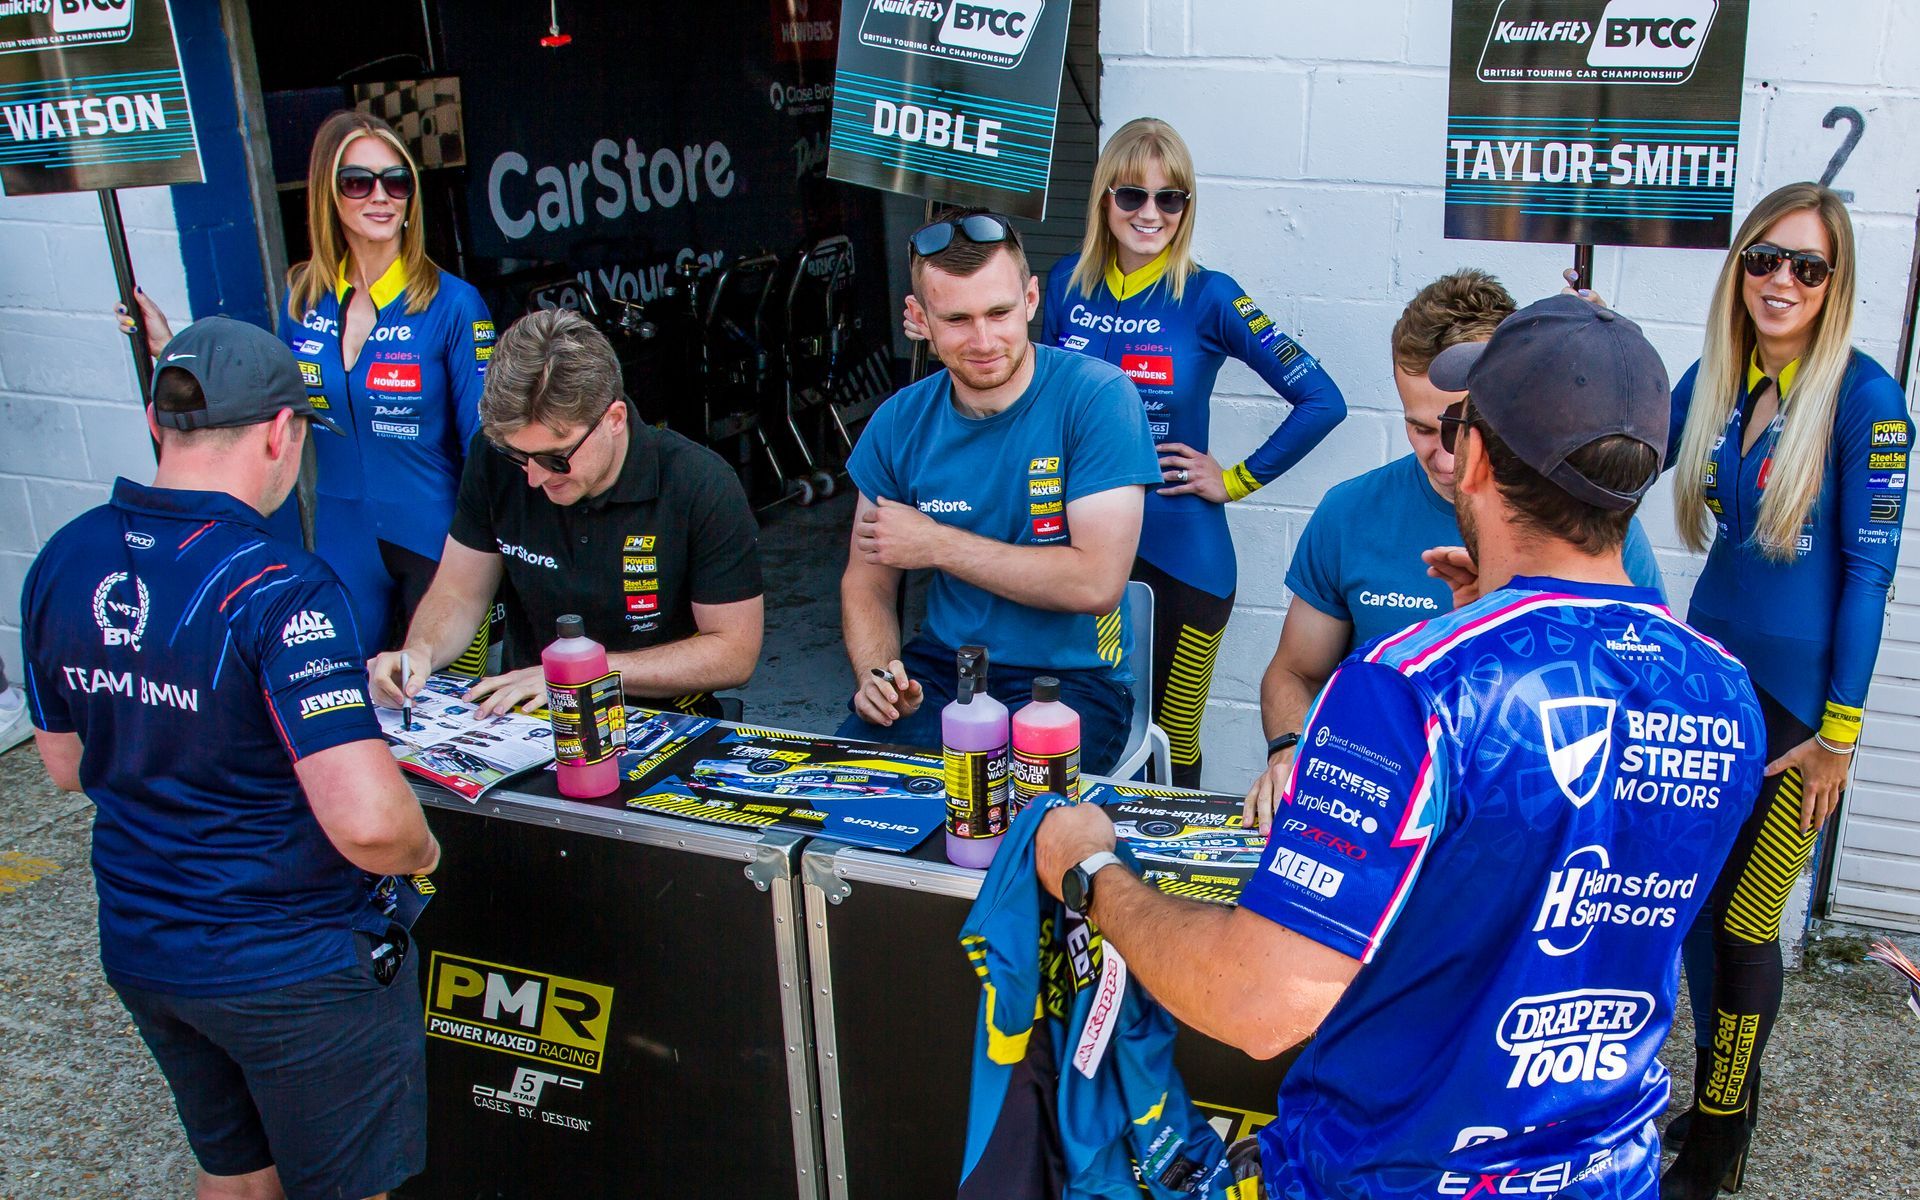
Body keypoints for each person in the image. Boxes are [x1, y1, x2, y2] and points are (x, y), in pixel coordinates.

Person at [1033, 295, 1766, 1199]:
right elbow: (1559, 893)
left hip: (1391, 1172)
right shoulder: (1722, 687)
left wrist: (1090, 869)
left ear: (1479, 459)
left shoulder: (1409, 686)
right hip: (1606, 1172)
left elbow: (1255, 1003)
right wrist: (1494, 620)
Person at [19, 317, 440, 1200]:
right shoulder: (281, 588)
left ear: (155, 423)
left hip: (146, 947)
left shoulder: (63, 558)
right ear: (281, 433)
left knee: (238, 1178)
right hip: (291, 964)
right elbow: (369, 824)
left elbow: (63, 764)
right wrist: (424, 855)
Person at [906, 118, 1348, 787]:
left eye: (1170, 198)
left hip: (1186, 558)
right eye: (1132, 195)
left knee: (1172, 731)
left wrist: (1234, 479)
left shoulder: (1210, 294)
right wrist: (942, 324)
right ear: (1104, 200)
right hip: (1086, 549)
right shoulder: (1064, 285)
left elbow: (1323, 398)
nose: (1150, 213)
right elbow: (1024, 384)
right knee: (1098, 720)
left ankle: (1173, 865)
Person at [1658, 182, 1911, 1197]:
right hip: (1708, 688)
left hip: (1803, 718)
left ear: (1835, 283)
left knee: (1750, 921)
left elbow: (1871, 575)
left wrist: (1840, 736)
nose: (1780, 281)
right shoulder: (1713, 378)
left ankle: (1721, 1137)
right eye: (1764, 258)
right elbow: (1623, 451)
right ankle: (1726, 1098)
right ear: (1740, 268)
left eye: (1806, 266)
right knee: (1694, 910)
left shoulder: (1865, 399)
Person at [1243, 270, 1667, 832]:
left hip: (1527, 823)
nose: (1443, 457)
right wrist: (1292, 750)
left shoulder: (1586, 522)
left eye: (1461, 424)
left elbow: (1645, 702)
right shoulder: (1351, 512)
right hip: (1375, 811)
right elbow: (1293, 673)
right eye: (1419, 428)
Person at [122, 110, 494, 659]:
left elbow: (485, 449)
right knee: (339, 693)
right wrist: (170, 349)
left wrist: (490, 555)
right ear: (328, 195)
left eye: (397, 181)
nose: (381, 196)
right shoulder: (303, 300)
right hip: (343, 539)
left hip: (440, 545)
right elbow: (258, 407)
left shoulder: (455, 304)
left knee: (444, 717)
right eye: (357, 181)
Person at [843, 209, 1161, 772]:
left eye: (1000, 312)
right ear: (919, 318)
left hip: (1073, 683)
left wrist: (937, 544)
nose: (984, 339)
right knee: (854, 801)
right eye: (958, 319)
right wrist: (878, 671)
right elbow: (867, 580)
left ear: (1032, 300)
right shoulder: (898, 422)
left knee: (1008, 830)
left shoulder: (1098, 399)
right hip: (942, 670)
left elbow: (1096, 584)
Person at [368, 308, 763, 719]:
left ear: (613, 419)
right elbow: (460, 591)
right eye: (517, 454)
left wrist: (580, 673)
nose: (535, 477)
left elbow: (734, 652)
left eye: (555, 458)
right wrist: (421, 650)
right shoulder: (492, 461)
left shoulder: (699, 483)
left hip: (659, 716)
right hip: (528, 713)